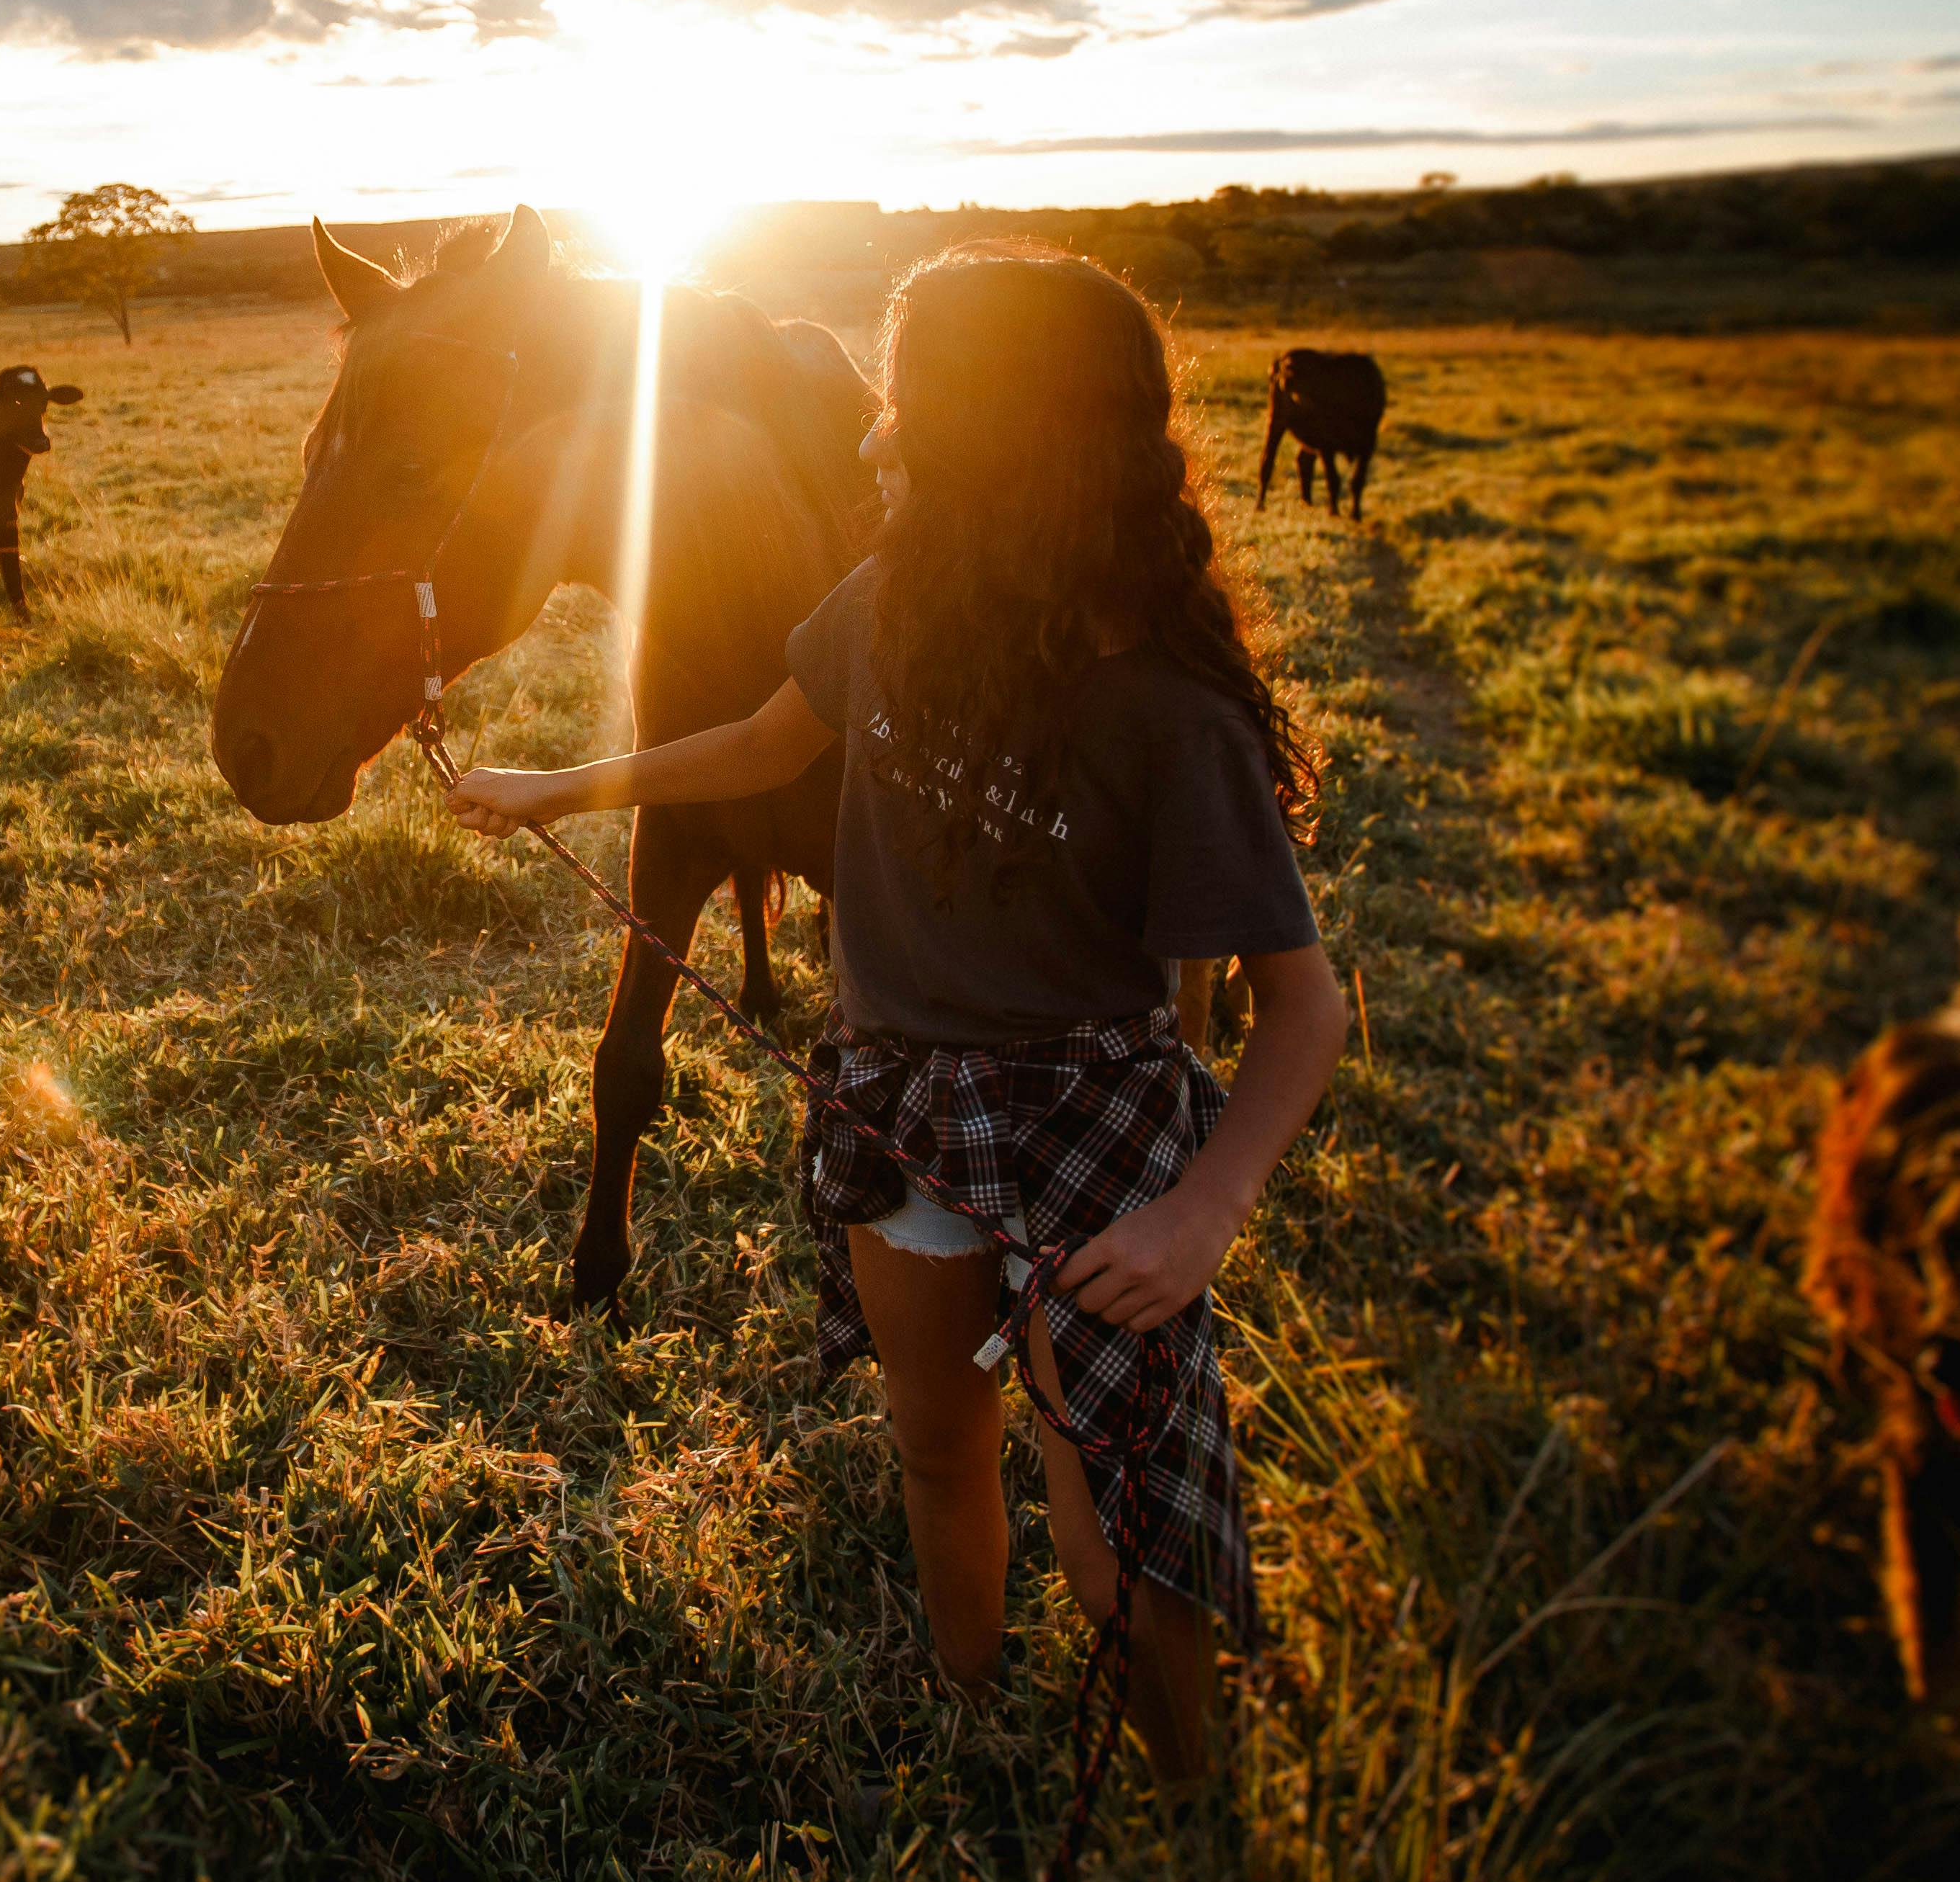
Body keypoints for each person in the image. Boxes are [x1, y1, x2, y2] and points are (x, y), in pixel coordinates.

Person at [444, 244, 1343, 1783]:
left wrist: (1208, 1208)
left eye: (907, 406)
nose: (872, 434)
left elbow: (1305, 1009)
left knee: (1109, 1511)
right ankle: (967, 1699)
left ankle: (1193, 1800)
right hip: (897, 1107)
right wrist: (559, 789)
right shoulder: (887, 601)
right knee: (937, 1440)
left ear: (1010, 437)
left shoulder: (1165, 712)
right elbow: (749, 744)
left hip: (1096, 1136)